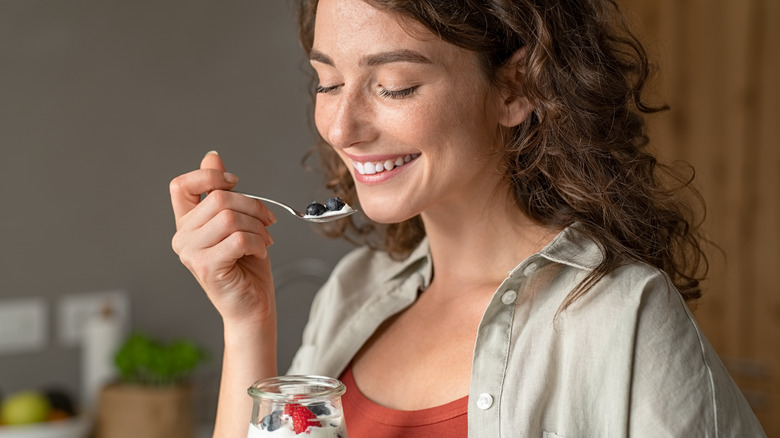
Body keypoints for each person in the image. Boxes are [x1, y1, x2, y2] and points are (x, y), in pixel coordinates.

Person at [170, 0, 766, 436]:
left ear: (516, 87)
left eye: (395, 87)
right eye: (328, 82)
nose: (342, 129)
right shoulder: (354, 291)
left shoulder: (623, 319)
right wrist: (248, 324)